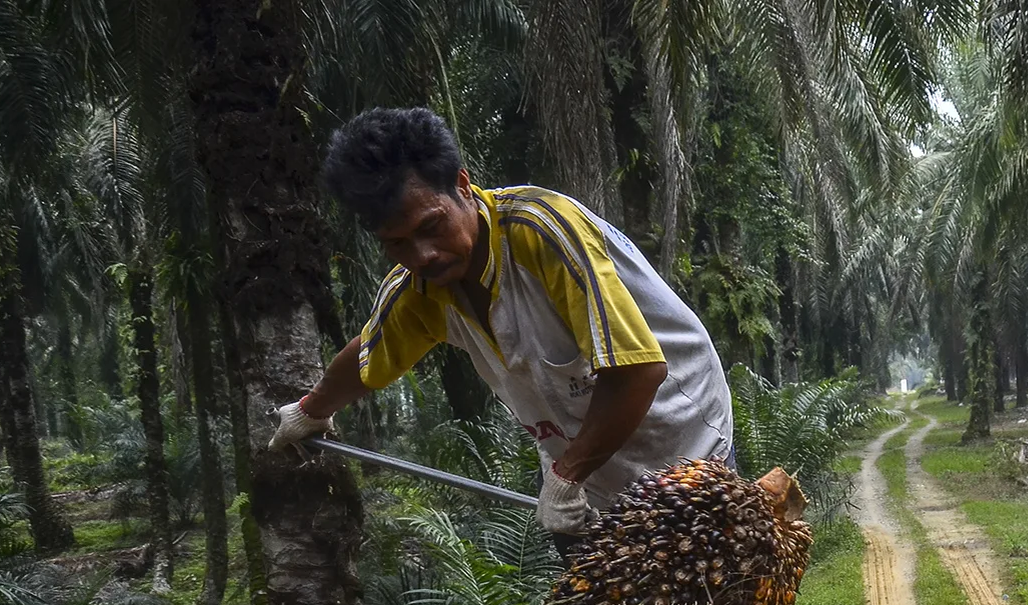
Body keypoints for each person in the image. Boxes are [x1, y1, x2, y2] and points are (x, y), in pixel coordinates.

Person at [266, 107, 734, 553]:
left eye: (432, 225)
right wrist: (311, 410)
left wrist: (567, 476)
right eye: (397, 243)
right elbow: (370, 354)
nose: (423, 254)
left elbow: (638, 372)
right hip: (584, 480)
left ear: (463, 186)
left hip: (685, 446)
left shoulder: (541, 233)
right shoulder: (417, 290)